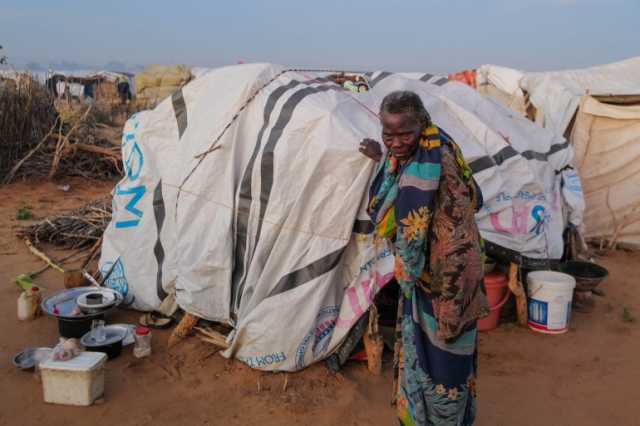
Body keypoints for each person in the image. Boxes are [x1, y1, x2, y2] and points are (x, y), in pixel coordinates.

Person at [359, 91, 488, 426]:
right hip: (456, 274)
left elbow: (404, 228)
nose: (397, 142)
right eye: (389, 135)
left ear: (422, 123)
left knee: (444, 356)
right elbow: (477, 197)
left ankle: (439, 420)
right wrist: (382, 156)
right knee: (444, 353)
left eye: (405, 133)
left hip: (446, 279)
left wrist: (407, 273)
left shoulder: (430, 163)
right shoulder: (437, 142)